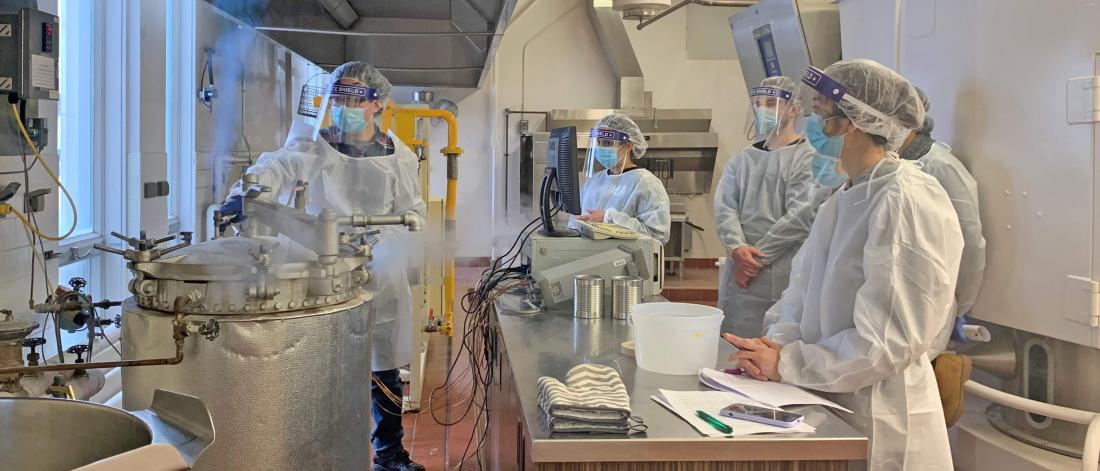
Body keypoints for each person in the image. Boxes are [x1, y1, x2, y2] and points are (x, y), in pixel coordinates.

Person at [724, 59, 964, 470]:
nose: (811, 126)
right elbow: (799, 294)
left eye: (819, 114)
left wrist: (789, 363)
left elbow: (887, 341)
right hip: (824, 396)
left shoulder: (903, 200)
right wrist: (777, 345)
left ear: (852, 121)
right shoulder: (843, 198)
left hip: (882, 415)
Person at [219, 61, 426, 471]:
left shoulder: (398, 156)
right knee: (316, 359)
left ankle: (389, 452)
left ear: (377, 104)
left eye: (354, 99)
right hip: (321, 261)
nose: (344, 107)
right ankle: (314, 453)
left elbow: (413, 213)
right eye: (338, 98)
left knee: (382, 361)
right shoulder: (317, 145)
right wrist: (249, 190)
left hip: (379, 266)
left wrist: (390, 243)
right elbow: (279, 165)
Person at [713, 76, 832, 337]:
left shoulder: (808, 159)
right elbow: (725, 208)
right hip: (739, 273)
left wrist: (755, 259)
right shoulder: (741, 160)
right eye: (758, 104)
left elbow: (801, 216)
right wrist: (737, 248)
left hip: (779, 271)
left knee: (773, 343)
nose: (763, 110)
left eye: (771, 103)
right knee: (732, 345)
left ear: (793, 108)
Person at [899, 86, 986, 347]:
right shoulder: (887, 168)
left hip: (928, 308)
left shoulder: (940, 166)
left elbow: (970, 243)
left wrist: (958, 305)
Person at [575, 112, 671, 243]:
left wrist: (609, 218)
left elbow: (657, 235)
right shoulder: (593, 182)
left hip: (626, 260)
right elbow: (576, 222)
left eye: (608, 143)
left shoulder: (645, 182)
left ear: (628, 145)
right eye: (598, 142)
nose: (601, 148)